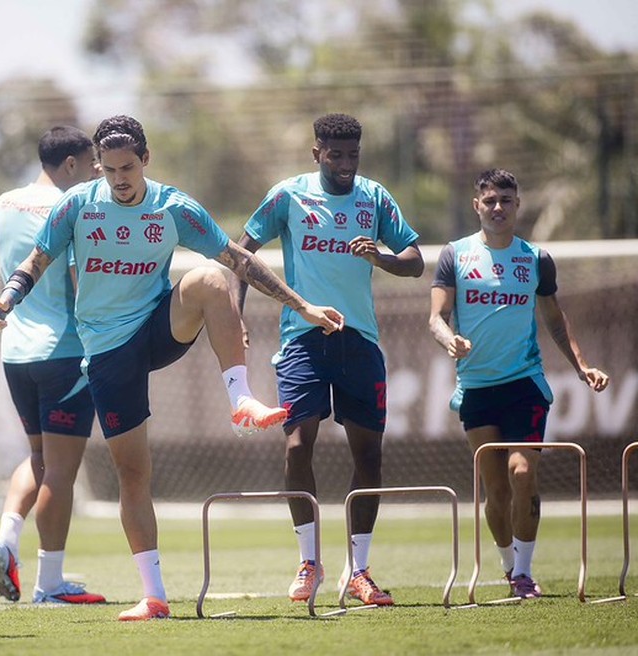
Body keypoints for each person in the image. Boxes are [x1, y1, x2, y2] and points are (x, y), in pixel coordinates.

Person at [0, 114, 344, 621]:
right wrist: (5, 301)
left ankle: (240, 397)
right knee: (135, 472)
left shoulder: (174, 207)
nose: (119, 179)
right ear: (96, 168)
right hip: (106, 351)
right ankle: (153, 596)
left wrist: (301, 305)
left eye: (127, 167)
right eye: (108, 170)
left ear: (146, 160)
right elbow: (37, 261)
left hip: (156, 329)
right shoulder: (77, 206)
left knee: (210, 279)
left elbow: (238, 258)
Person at [231, 113, 424, 607]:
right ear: (316, 153)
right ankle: (309, 561)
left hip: (360, 343)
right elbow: (240, 252)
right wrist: (234, 316)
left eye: (352, 155)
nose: (344, 164)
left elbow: (415, 262)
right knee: (297, 447)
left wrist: (381, 257)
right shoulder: (288, 196)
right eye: (334, 154)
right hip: (303, 338)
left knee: (369, 457)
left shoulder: (375, 198)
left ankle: (359, 571)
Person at [429, 168, 609, 598]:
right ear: (477, 205)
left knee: (522, 471)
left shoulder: (536, 259)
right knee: (495, 490)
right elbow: (436, 317)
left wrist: (582, 366)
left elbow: (554, 318)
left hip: (523, 383)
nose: (497, 208)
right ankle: (509, 567)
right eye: (490, 201)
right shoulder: (455, 254)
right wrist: (449, 339)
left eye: (505, 201)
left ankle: (525, 573)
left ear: (517, 205)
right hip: (475, 388)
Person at [0, 126, 106, 605]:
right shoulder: (72, 208)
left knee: (37, 458)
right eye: (93, 163)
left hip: (16, 353)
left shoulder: (3, 203)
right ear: (71, 164)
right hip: (64, 353)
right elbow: (80, 283)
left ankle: (6, 536)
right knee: (60, 472)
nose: (99, 171)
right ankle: (49, 583)